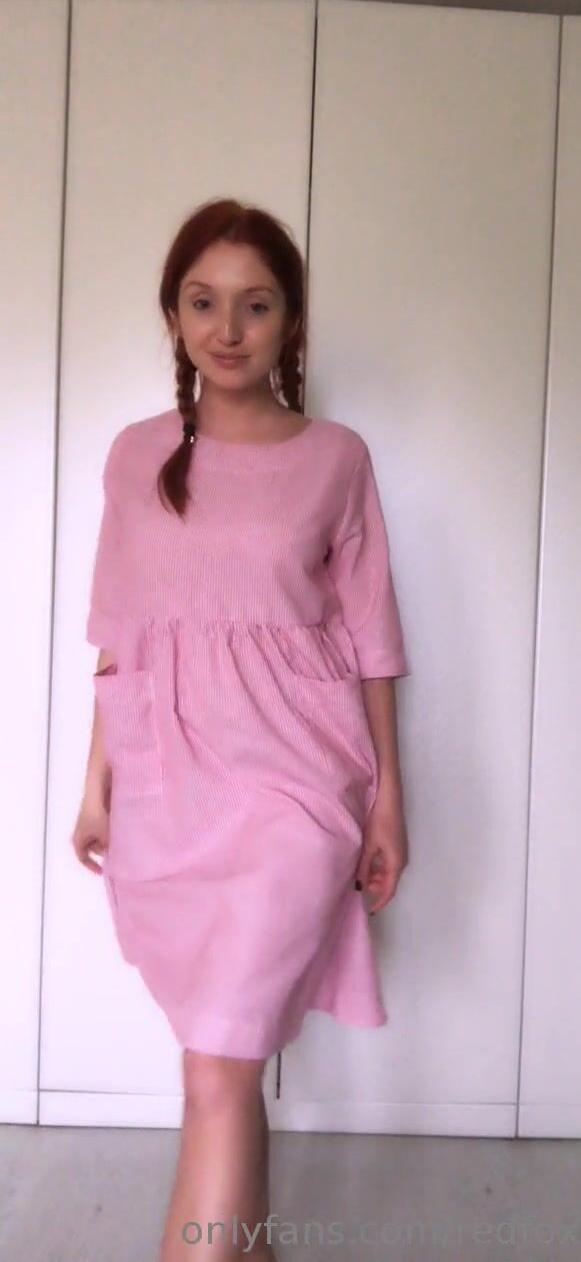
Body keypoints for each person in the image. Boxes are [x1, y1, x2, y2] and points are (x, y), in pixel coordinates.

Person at [71, 198, 411, 1261]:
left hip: (295, 789)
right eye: (203, 302)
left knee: (220, 1067)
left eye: (256, 305)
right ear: (173, 316)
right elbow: (120, 635)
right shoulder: (134, 456)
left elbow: (372, 638)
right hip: (168, 787)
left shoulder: (337, 457)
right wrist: (97, 783)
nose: (228, 328)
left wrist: (388, 799)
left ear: (292, 321)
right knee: (214, 1064)